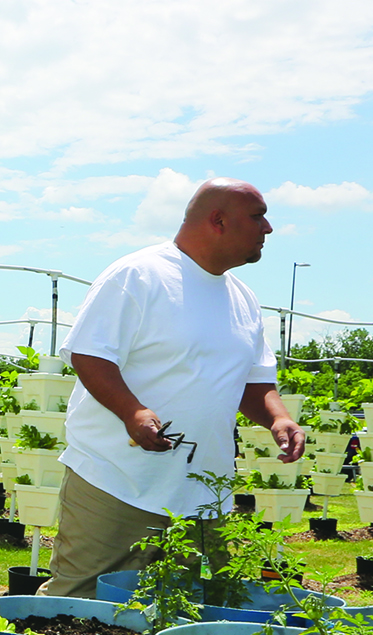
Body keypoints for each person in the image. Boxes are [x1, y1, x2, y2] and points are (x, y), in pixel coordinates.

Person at [39, 180, 305, 600]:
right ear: (217, 220)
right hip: (118, 480)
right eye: (257, 216)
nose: (268, 228)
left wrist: (279, 417)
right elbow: (90, 354)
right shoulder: (139, 275)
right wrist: (133, 411)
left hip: (202, 491)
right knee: (80, 602)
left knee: (182, 610)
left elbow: (254, 381)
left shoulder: (243, 299)